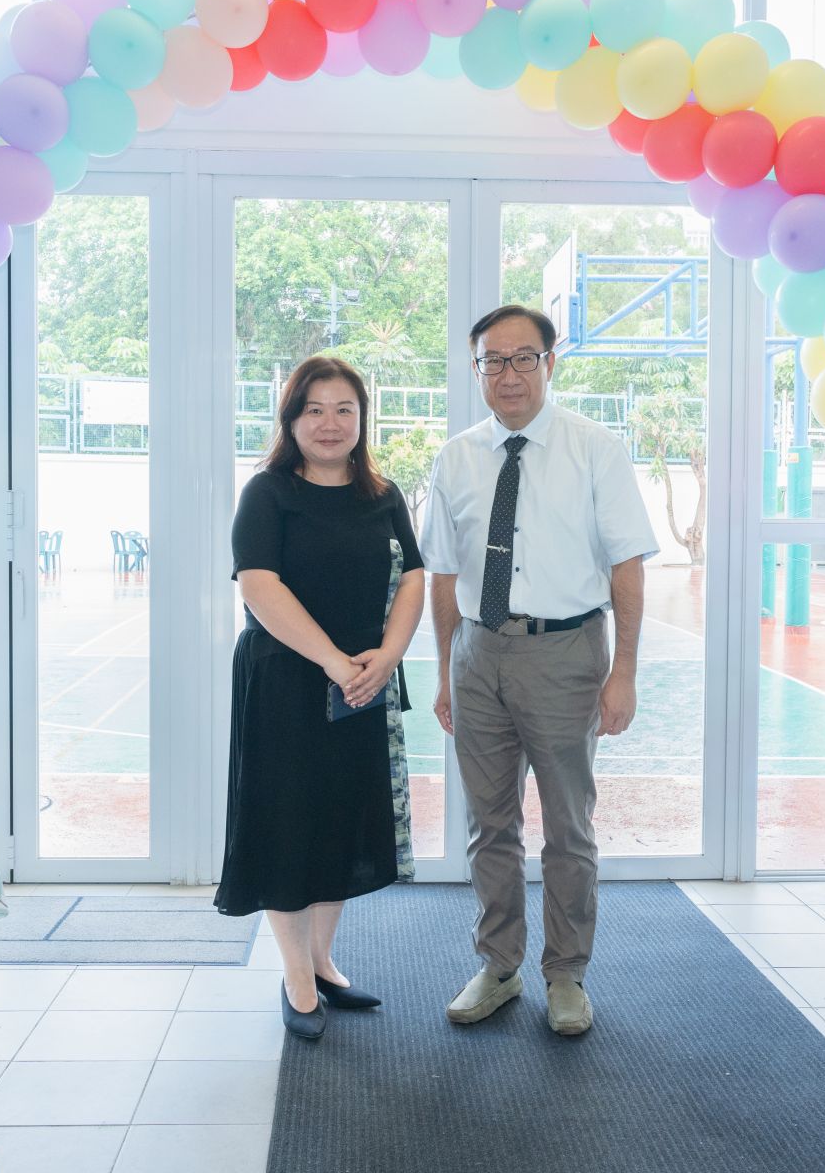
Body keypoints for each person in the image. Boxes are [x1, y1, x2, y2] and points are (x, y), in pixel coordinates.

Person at [420, 305, 657, 1037]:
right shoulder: (456, 458)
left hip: (566, 655)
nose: (509, 374)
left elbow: (626, 565)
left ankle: (566, 975)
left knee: (567, 828)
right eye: (493, 360)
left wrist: (624, 672)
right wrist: (445, 671)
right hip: (477, 654)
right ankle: (498, 965)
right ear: (476, 370)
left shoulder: (595, 449)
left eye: (524, 358)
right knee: (488, 825)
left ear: (550, 364)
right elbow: (443, 574)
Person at [215, 355, 427, 1041]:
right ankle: (297, 980)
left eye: (344, 410)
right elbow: (260, 586)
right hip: (286, 682)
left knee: (341, 821)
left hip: (362, 683)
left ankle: (324, 962)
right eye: (314, 409)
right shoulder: (267, 492)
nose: (329, 423)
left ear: (362, 420)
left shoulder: (383, 494)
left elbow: (414, 577)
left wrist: (387, 656)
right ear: (291, 419)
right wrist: (335, 661)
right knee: (287, 825)